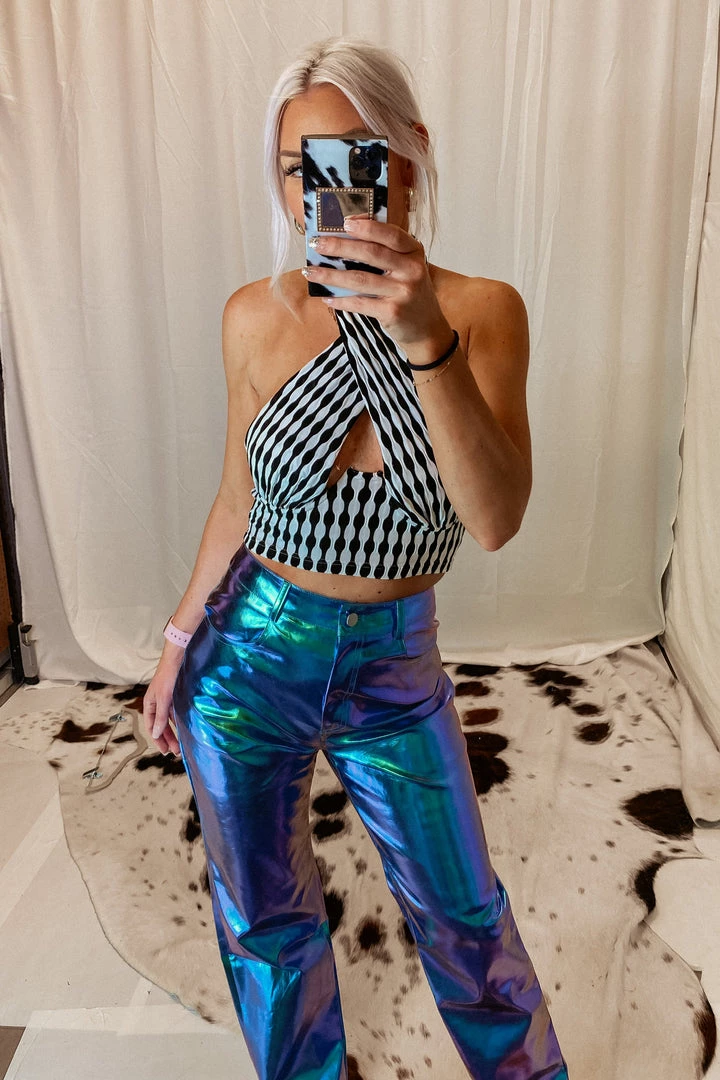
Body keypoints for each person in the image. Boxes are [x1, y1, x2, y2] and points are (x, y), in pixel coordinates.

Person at [143, 35, 569, 1080]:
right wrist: (176, 643)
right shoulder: (256, 317)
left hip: (394, 671)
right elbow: (238, 498)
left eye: (351, 155)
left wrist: (422, 337)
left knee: (465, 920)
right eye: (299, 167)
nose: (321, 190)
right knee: (265, 922)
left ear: (407, 153)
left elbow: (496, 518)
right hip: (246, 663)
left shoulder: (483, 313)